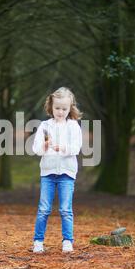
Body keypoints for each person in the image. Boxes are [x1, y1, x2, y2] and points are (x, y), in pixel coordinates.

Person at [31, 87, 83, 253]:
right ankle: (38, 241)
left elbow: (76, 148)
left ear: (70, 108)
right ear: (51, 107)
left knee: (65, 209)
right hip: (48, 173)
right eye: (57, 108)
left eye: (64, 109)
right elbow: (36, 149)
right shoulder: (45, 126)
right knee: (44, 209)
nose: (60, 112)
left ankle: (67, 241)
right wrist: (44, 146)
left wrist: (63, 148)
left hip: (67, 174)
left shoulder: (73, 126)